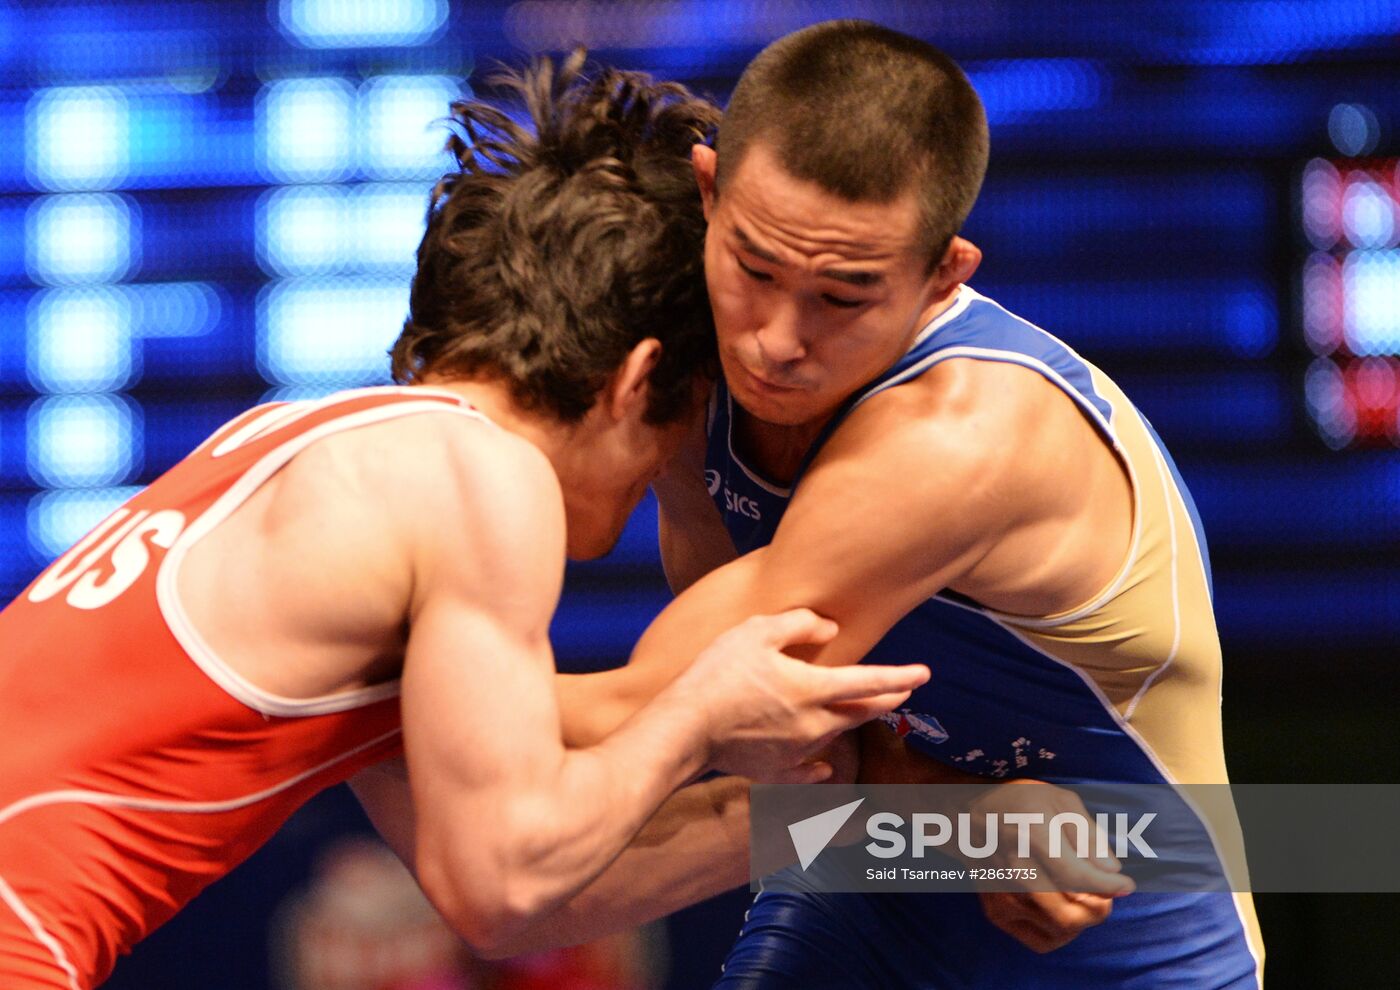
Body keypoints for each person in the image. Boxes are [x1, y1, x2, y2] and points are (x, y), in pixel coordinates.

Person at [0, 55, 930, 990]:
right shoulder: (483, 475)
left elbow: (537, 889)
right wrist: (696, 717)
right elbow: (505, 880)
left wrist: (955, 838)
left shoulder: (321, 448)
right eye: (686, 430)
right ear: (639, 381)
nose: (668, 476)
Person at [561, 20, 1265, 988]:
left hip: (1115, 938)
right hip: (883, 862)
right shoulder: (700, 361)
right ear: (710, 191)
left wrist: (349, 686)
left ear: (943, 274)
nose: (774, 340)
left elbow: (671, 710)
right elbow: (788, 744)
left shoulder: (955, 437)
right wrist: (961, 820)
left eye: (842, 298)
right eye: (753, 269)